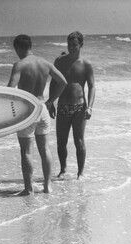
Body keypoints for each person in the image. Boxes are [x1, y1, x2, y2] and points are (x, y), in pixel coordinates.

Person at [7, 34, 68, 196]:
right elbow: (63, 82)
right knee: (45, 149)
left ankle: (28, 189)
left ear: (18, 48)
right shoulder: (45, 63)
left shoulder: (19, 65)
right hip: (42, 109)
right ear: (30, 46)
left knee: (26, 151)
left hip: (27, 110)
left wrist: (11, 112)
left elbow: (10, 89)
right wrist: (51, 101)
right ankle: (47, 186)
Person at [48, 31, 96, 180]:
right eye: (69, 44)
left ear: (81, 45)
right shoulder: (59, 61)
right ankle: (63, 170)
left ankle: (80, 173)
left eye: (74, 45)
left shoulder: (86, 64)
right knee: (61, 141)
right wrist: (51, 103)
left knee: (79, 141)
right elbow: (54, 82)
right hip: (62, 106)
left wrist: (90, 107)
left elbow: (92, 86)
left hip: (79, 107)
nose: (71, 47)